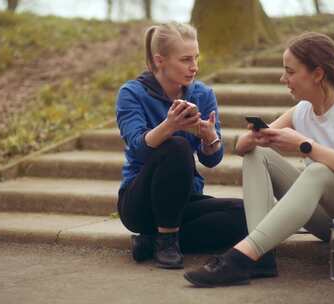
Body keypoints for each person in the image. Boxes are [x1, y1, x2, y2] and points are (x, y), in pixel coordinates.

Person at [184, 32, 334, 287]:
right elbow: (241, 147)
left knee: (318, 172)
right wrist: (254, 138)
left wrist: (305, 146)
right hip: (333, 219)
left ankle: (241, 258)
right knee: (259, 154)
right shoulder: (303, 110)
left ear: (317, 74)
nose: (284, 79)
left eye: (290, 72)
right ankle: (262, 257)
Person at [115, 22, 278, 272]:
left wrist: (209, 137)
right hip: (140, 203)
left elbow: (212, 160)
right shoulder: (132, 93)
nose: (195, 67)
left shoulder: (202, 93)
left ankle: (150, 242)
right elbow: (137, 146)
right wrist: (169, 126)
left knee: (248, 216)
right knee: (176, 146)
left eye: (196, 58)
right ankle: (167, 241)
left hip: (183, 200)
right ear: (160, 61)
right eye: (185, 60)